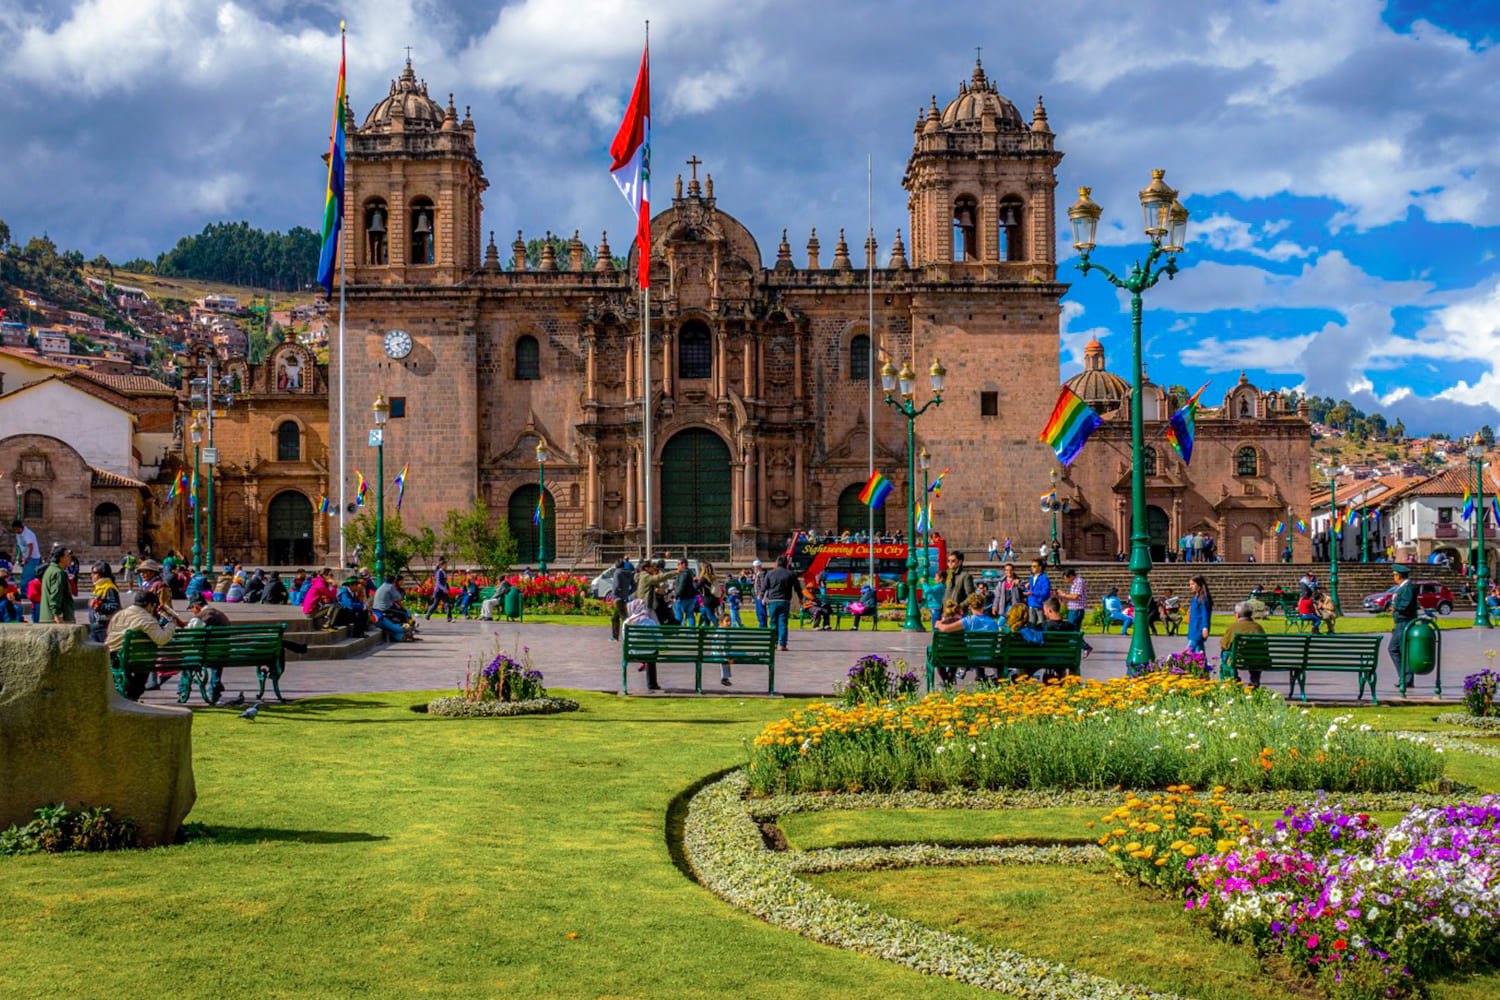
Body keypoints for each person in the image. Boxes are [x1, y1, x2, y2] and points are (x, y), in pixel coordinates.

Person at [105, 590, 186, 700]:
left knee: (135, 666)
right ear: (148, 604)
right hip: (136, 659)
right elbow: (161, 639)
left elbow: (109, 632)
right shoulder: (146, 619)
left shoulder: (119, 615)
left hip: (113, 655)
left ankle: (129, 695)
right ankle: (133, 695)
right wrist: (171, 623)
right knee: (145, 664)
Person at [761, 554, 803, 652]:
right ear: (786, 563)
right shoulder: (790, 574)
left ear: (776, 563)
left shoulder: (770, 574)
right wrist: (801, 598)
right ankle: (782, 644)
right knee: (783, 622)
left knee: (773, 622)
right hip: (784, 601)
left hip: (772, 601)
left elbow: (764, 586)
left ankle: (774, 643)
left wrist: (761, 595)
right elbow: (797, 588)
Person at [1221, 602, 1266, 687]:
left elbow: (1224, 645)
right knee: (1256, 655)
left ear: (1237, 615)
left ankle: (1234, 678)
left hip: (1239, 660)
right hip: (1257, 660)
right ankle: (1254, 680)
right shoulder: (1258, 627)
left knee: (1225, 653)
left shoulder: (1233, 627)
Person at [1388, 564, 1419, 686]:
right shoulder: (1403, 587)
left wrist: (1395, 608)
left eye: (1395, 575)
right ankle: (1406, 678)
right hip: (1400, 622)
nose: (1394, 577)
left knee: (1397, 649)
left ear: (1399, 576)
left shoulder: (1407, 588)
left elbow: (1405, 605)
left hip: (1404, 622)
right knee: (1398, 649)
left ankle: (1406, 679)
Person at [38, 546, 75, 624]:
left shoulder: (50, 570)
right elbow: (56, 594)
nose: (70, 559)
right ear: (61, 558)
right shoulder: (58, 573)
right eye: (67, 556)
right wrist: (56, 614)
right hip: (56, 619)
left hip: (47, 617)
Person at [87, 561, 122, 642]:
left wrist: (99, 605)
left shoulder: (109, 588)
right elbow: (92, 603)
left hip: (104, 627)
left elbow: (115, 606)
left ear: (102, 574)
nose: (91, 575)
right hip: (95, 626)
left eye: (94, 573)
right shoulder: (98, 587)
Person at [1186, 575, 1213, 655]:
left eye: (1193, 584)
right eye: (1190, 584)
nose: (1191, 586)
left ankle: (1182, 664)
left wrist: (1205, 627)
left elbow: (1205, 614)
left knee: (1189, 650)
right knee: (1199, 650)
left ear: (1199, 584)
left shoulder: (1203, 598)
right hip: (1193, 627)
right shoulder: (1196, 597)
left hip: (1198, 628)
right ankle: (1203, 666)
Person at [610, 559, 635, 641]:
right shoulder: (629, 573)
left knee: (624, 618)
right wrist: (628, 592)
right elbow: (634, 586)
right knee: (615, 617)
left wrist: (614, 594)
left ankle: (630, 635)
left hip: (618, 597)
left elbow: (616, 585)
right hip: (625, 597)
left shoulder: (617, 572)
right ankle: (615, 636)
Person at [12, 519, 41, 589]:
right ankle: (28, 591)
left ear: (20, 527)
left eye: (17, 529)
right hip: (26, 557)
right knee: (27, 575)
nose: (16, 531)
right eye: (14, 529)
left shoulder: (27, 534)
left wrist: (27, 558)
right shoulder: (18, 534)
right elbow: (20, 546)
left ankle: (25, 592)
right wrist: (19, 557)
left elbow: (31, 546)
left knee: (27, 575)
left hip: (33, 557)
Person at [1024, 558, 1050, 625]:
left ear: (1040, 567)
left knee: (1043, 624)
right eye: (1032, 566)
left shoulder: (1044, 578)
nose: (1032, 568)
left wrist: (1033, 593)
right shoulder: (1031, 577)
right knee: (1031, 624)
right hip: (1031, 604)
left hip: (1040, 605)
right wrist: (1027, 589)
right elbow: (1029, 591)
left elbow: (1045, 592)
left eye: (1034, 566)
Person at [673, 558, 698, 627]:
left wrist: (676, 595)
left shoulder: (683, 574)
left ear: (683, 564)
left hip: (682, 598)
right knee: (690, 615)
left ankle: (676, 631)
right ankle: (691, 632)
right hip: (691, 597)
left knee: (678, 616)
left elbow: (681, 586)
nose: (677, 566)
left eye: (679, 564)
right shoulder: (690, 573)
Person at [751, 559, 769, 629]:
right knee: (759, 612)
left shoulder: (762, 574)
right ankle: (762, 626)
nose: (754, 569)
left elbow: (763, 585)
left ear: (758, 567)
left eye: (755, 567)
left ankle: (763, 627)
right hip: (757, 595)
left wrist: (762, 595)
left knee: (761, 613)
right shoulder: (757, 574)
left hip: (760, 596)